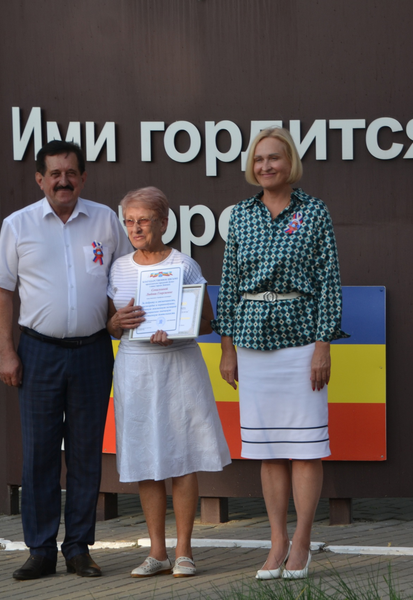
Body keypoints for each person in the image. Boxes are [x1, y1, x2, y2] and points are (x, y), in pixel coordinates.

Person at [0, 140, 133, 581]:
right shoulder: (19, 225)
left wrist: (122, 317)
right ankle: (41, 550)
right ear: (40, 179)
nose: (63, 181)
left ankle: (79, 548)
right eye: (54, 174)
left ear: (83, 177)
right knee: (40, 455)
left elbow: (126, 277)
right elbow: (0, 290)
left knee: (87, 453)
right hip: (38, 352)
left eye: (71, 173)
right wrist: (7, 352)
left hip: (92, 351)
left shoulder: (106, 220)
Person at [212, 127, 348, 580]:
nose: (266, 166)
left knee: (306, 450)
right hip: (251, 343)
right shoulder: (241, 217)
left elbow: (329, 280)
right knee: (269, 451)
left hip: (301, 340)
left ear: (290, 162)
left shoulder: (314, 212)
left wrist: (323, 345)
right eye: (259, 159)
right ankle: (276, 544)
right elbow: (229, 283)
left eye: (274, 158)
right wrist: (227, 348)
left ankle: (302, 544)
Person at [106, 186, 231, 579]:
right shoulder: (118, 267)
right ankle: (156, 552)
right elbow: (111, 327)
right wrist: (115, 323)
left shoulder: (185, 265)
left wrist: (182, 330)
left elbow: (209, 323)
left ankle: (184, 552)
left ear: (163, 222)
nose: (135, 228)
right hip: (135, 368)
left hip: (178, 365)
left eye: (143, 220)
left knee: (182, 455)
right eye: (129, 221)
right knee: (146, 458)